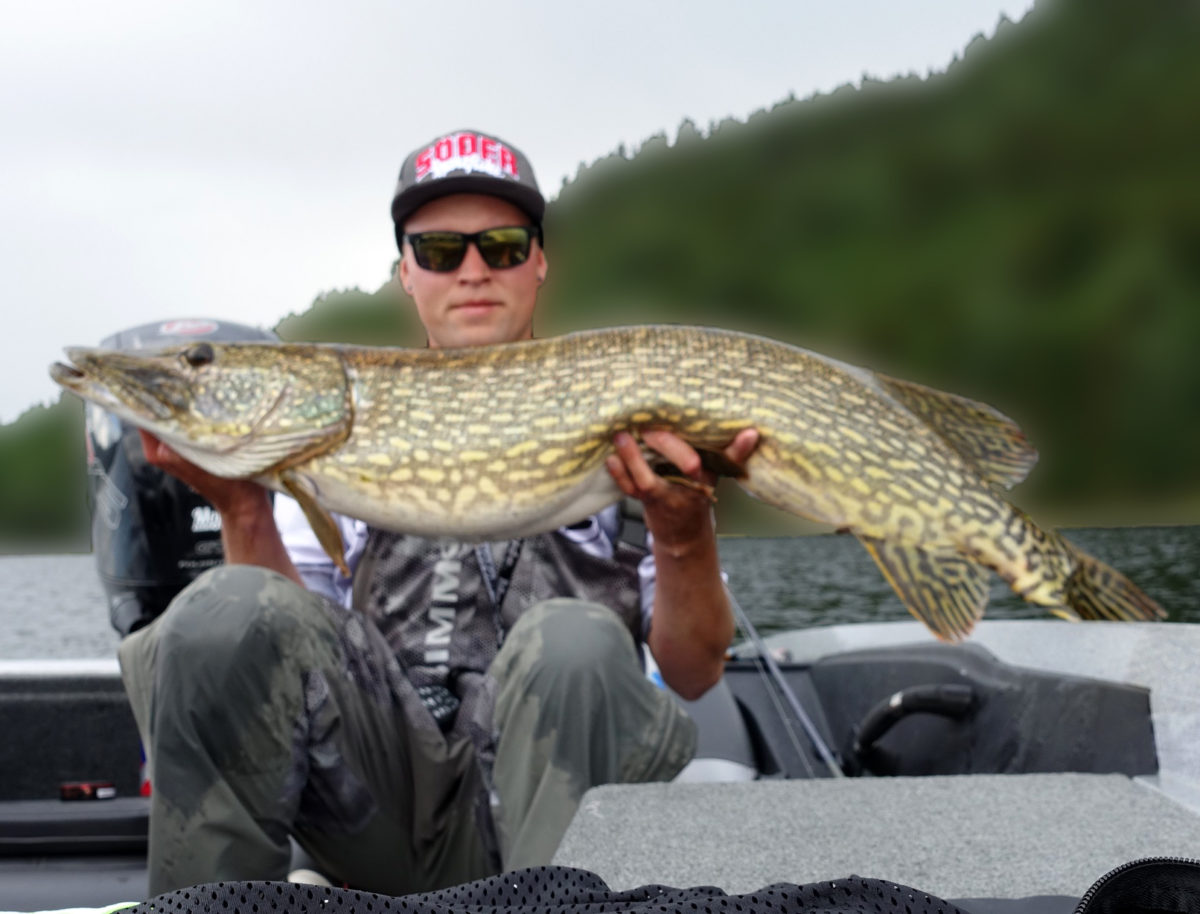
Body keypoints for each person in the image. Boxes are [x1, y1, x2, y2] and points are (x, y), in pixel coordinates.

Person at [119, 128, 759, 897]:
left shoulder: (634, 417)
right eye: (441, 252)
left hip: (572, 817)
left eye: (503, 244)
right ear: (406, 274)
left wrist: (682, 531)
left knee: (574, 638)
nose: (475, 271)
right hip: (382, 821)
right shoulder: (337, 431)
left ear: (540, 261)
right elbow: (280, 660)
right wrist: (242, 504)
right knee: (223, 609)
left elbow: (691, 672)